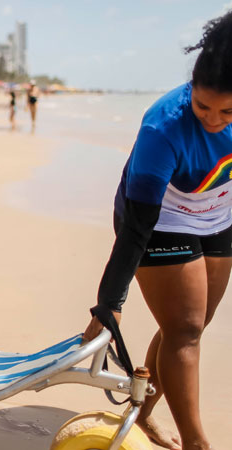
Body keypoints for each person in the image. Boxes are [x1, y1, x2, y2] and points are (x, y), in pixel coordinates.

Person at [83, 11, 232, 450]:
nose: (212, 118)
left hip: (217, 211)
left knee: (189, 326)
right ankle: (197, 444)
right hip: (159, 216)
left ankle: (141, 413)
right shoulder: (162, 127)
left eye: (227, 111)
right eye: (203, 106)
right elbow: (136, 225)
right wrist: (109, 303)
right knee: (184, 329)